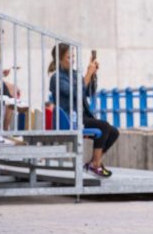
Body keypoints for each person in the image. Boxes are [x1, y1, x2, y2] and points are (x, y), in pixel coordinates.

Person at [48, 43, 119, 178]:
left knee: (114, 132)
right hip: (71, 119)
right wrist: (88, 73)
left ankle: (94, 162)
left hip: (82, 117)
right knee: (103, 126)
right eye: (69, 57)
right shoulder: (57, 78)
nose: (72, 60)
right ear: (60, 59)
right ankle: (95, 165)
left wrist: (92, 76)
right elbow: (76, 93)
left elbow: (89, 92)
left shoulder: (74, 74)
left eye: (73, 57)